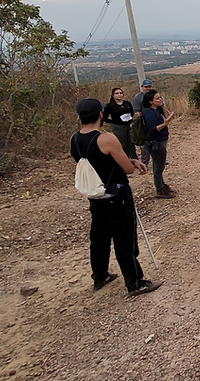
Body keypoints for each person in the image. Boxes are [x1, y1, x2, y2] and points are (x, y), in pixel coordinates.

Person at [70, 98, 161, 297]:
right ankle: (135, 282)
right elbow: (126, 169)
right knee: (124, 239)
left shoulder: (75, 139)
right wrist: (132, 163)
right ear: (100, 115)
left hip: (95, 195)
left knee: (99, 237)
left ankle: (100, 275)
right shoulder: (106, 139)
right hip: (117, 194)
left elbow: (97, 161)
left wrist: (130, 160)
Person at [142, 90, 175, 198]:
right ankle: (159, 189)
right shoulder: (149, 113)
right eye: (157, 98)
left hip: (159, 141)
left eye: (159, 97)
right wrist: (165, 123)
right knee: (158, 166)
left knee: (159, 165)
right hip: (155, 143)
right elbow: (151, 129)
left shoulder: (156, 111)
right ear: (151, 101)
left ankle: (162, 185)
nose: (160, 99)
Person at [103, 87, 136, 158]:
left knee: (131, 143)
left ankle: (134, 159)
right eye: (117, 93)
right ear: (113, 95)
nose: (119, 95)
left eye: (121, 93)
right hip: (119, 127)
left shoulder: (127, 103)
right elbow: (105, 117)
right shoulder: (110, 106)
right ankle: (125, 160)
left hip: (129, 125)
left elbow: (132, 113)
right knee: (123, 144)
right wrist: (114, 121)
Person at [133, 79, 154, 166]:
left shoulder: (155, 95)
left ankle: (159, 160)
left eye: (149, 86)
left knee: (157, 141)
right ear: (142, 87)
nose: (148, 88)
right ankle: (145, 162)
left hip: (155, 121)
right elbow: (136, 112)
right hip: (144, 123)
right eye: (146, 87)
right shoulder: (137, 98)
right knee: (145, 144)